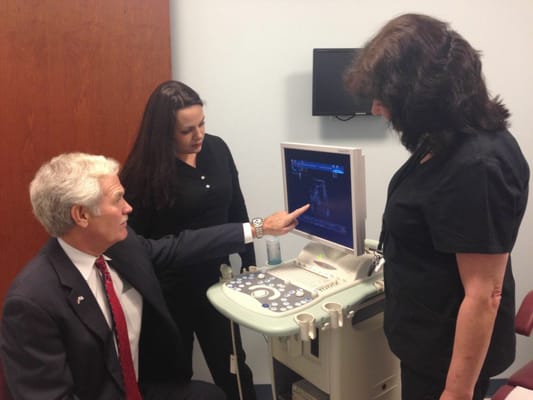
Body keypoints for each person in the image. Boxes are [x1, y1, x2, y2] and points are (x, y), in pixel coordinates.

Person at [0, 152, 309, 400]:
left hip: (145, 387)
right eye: (117, 199)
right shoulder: (32, 303)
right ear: (81, 215)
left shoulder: (121, 247)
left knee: (211, 395)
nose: (128, 208)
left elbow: (181, 246)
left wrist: (259, 228)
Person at [344, 13, 529, 400]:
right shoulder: (443, 140)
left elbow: (484, 295)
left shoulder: (480, 165)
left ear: (425, 95)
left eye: (386, 98)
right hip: (426, 342)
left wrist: (456, 393)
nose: (377, 109)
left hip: (449, 360)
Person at [120, 80, 257, 399]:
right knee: (174, 375)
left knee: (234, 368)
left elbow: (237, 206)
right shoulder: (141, 174)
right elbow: (136, 246)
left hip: (219, 284)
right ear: (163, 132)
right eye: (187, 131)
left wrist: (249, 264)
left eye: (202, 124)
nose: (198, 136)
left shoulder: (218, 148)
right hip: (169, 293)